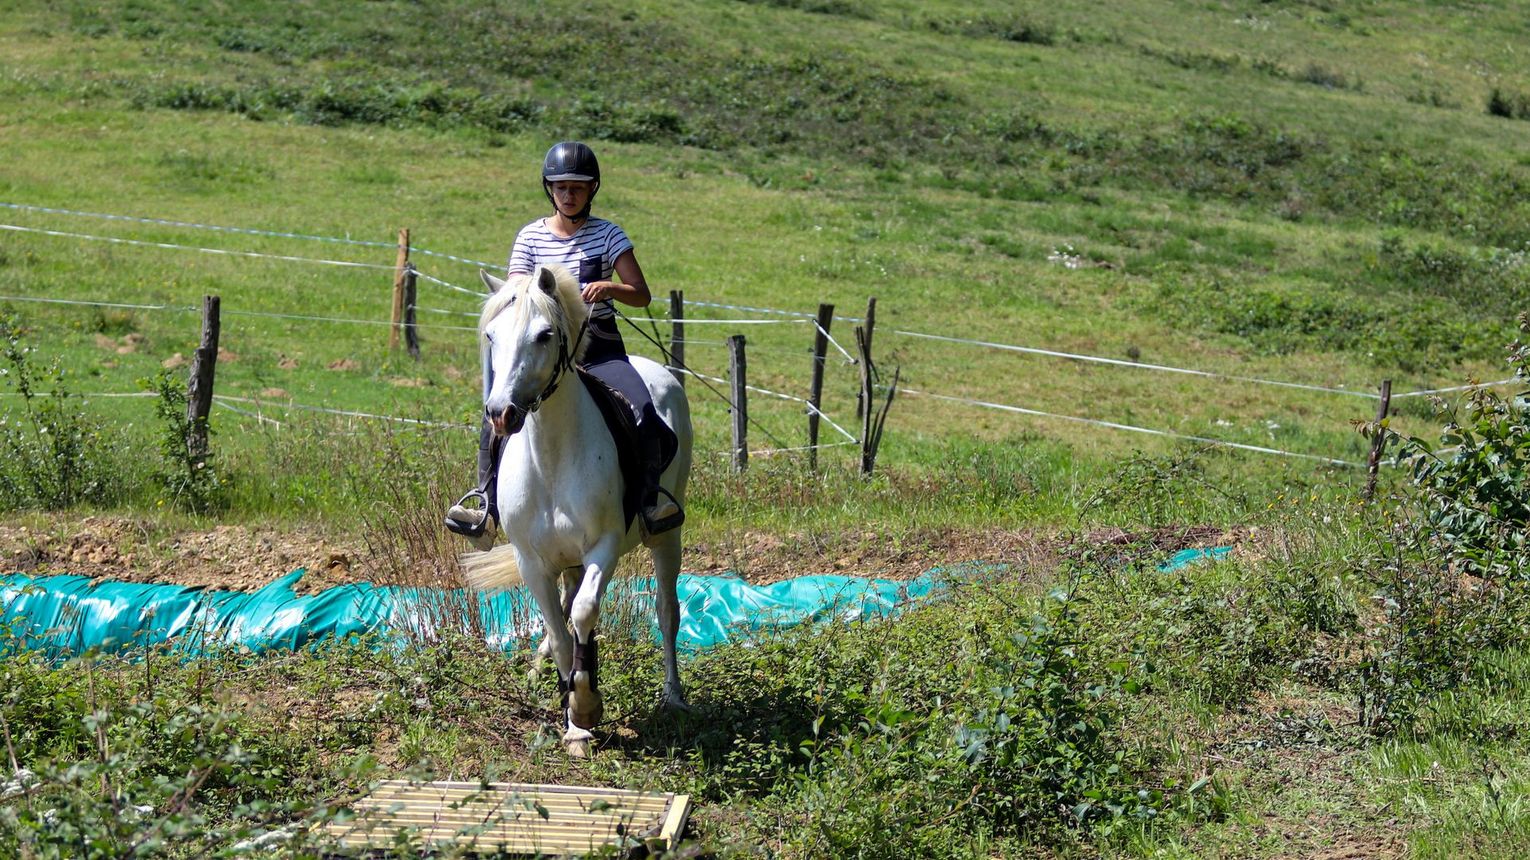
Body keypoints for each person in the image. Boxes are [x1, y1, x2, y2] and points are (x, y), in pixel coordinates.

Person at [446, 141, 683, 538]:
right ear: (549, 189)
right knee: (495, 418)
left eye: (578, 187)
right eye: (561, 187)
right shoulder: (529, 238)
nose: (569, 195)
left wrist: (610, 287)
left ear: (592, 189)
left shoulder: (609, 236)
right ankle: (485, 503)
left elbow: (641, 294)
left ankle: (650, 499)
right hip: (541, 352)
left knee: (643, 408)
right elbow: (516, 295)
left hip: (600, 348)